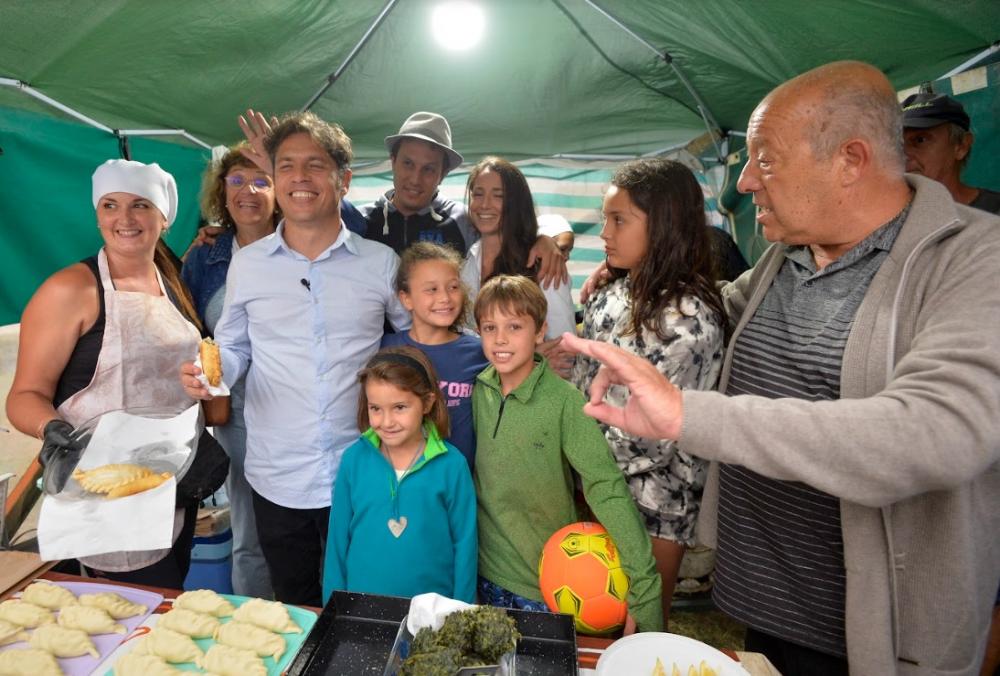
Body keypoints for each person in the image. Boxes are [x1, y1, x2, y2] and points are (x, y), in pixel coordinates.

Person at [561, 60, 1000, 676]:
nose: (744, 181)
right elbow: (706, 313)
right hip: (764, 606)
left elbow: (937, 430)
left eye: (764, 159)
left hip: (874, 636)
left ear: (850, 160)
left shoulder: (978, 257)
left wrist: (690, 415)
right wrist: (635, 284)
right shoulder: (785, 259)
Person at [180, 112, 411, 606]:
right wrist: (211, 377)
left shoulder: (380, 264)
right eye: (286, 166)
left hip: (363, 468)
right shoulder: (248, 262)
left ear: (343, 179)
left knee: (364, 602)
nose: (299, 179)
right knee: (296, 603)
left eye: (314, 165)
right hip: (276, 471)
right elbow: (234, 348)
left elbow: (415, 341)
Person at [7, 159, 203, 588]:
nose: (125, 218)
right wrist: (53, 429)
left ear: (164, 217)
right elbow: (24, 395)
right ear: (97, 215)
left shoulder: (172, 282)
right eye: (110, 205)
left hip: (172, 488)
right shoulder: (70, 289)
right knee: (126, 615)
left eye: (140, 205)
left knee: (166, 601)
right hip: (103, 491)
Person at [571, 158, 725, 627]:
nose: (604, 233)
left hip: (655, 507)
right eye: (605, 219)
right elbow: (582, 379)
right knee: (589, 617)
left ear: (662, 227)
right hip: (592, 481)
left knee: (638, 626)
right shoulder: (610, 292)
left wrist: (576, 450)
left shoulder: (687, 320)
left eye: (619, 220)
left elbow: (653, 440)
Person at [472, 275, 663, 633]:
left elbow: (605, 487)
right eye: (489, 327)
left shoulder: (565, 402)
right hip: (481, 577)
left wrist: (644, 589)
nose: (500, 338)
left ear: (540, 331)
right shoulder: (476, 390)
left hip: (545, 586)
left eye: (514, 326)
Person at [181, 143, 278, 599]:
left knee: (312, 527)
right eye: (237, 180)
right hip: (236, 413)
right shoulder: (207, 255)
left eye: (262, 179)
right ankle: (255, 619)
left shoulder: (301, 243)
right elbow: (189, 327)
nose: (248, 191)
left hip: (298, 410)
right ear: (222, 191)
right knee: (249, 531)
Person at [322, 347, 477, 604]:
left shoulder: (452, 465)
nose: (387, 421)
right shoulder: (353, 460)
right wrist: (334, 610)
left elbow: (465, 546)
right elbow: (337, 543)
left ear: (426, 403)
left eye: (400, 407)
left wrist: (461, 610)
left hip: (433, 615)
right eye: (376, 408)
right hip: (361, 609)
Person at [357, 112, 571, 287]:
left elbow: (513, 222)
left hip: (451, 338)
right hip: (376, 339)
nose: (415, 178)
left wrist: (546, 240)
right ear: (393, 161)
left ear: (443, 173)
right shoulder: (360, 220)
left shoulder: (462, 219)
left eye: (429, 169)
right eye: (408, 164)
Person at [380, 242, 488, 471]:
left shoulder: (479, 352)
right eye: (432, 289)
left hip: (461, 483)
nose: (445, 298)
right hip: (405, 482)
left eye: (453, 287)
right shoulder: (387, 351)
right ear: (406, 298)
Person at [462, 156, 577, 343]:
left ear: (516, 203)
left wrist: (527, 358)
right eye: (478, 194)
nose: (484, 204)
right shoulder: (469, 260)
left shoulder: (544, 265)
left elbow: (564, 347)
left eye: (498, 196)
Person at [902, 91, 1000, 214]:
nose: (903, 154)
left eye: (920, 140)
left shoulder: (994, 215)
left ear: (961, 146)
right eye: (896, 144)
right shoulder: (893, 220)